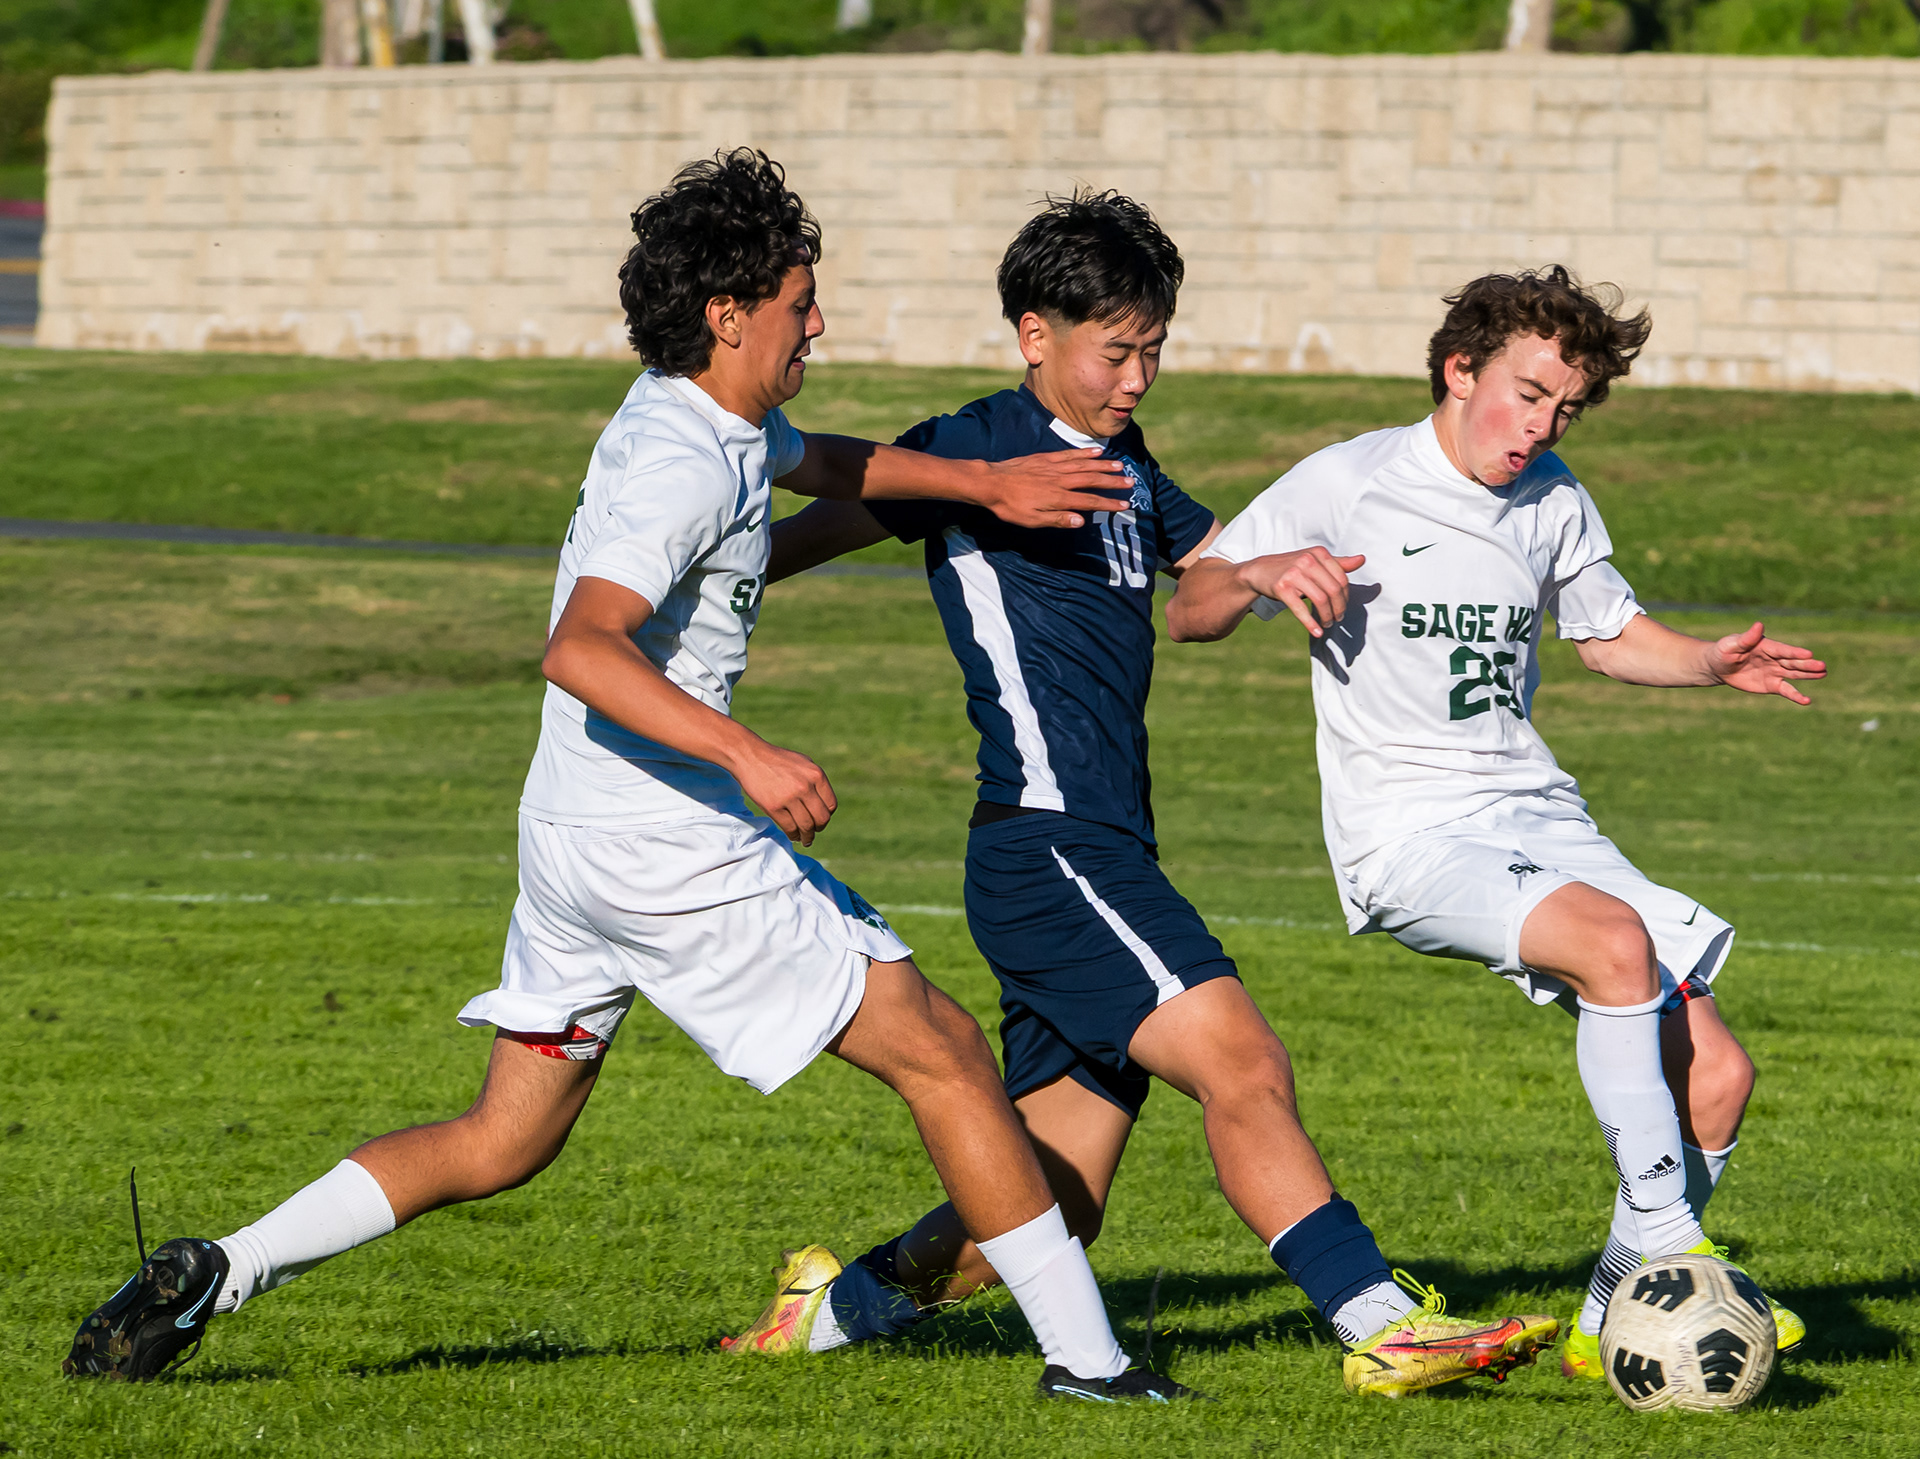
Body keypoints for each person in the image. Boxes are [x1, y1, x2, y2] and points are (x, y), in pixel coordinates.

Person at [62, 148, 1196, 1404]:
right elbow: (581, 647)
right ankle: (1090, 1363)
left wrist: (981, 483)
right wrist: (747, 751)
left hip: (572, 834)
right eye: (800, 301)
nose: (818, 322)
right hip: (664, 842)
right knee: (943, 1050)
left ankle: (220, 1270)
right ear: (729, 314)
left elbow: (825, 464)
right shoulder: (682, 461)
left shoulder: (701, 412)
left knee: (504, 1138)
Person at [735, 190, 1560, 1398]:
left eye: (1154, 351)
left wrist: (1266, 570)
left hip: (1103, 846)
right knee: (1242, 1059)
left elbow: (1203, 591)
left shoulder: (1128, 464)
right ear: (1035, 335)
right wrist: (686, 587)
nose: (1137, 379)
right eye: (1115, 352)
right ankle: (1384, 1324)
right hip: (1047, 844)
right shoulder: (972, 443)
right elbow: (805, 528)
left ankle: (828, 1311)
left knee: (1052, 1202)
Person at [1165, 265, 1818, 1379]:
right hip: (1409, 831)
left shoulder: (1553, 497)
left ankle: (1611, 1314)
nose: (1541, 426)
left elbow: (1607, 635)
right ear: (1460, 370)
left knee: (1715, 1077)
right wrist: (1261, 572)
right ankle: (1675, 1251)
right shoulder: (1352, 478)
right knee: (1614, 943)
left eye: (1566, 408)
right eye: (1528, 394)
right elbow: (1190, 608)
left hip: (1536, 813)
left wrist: (1708, 662)